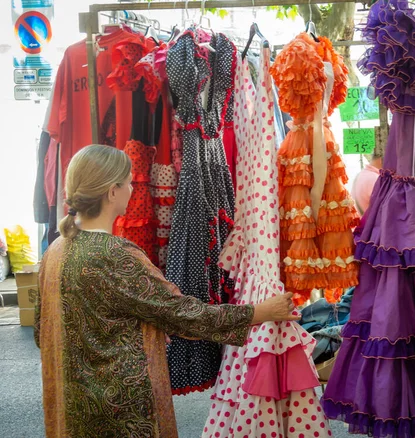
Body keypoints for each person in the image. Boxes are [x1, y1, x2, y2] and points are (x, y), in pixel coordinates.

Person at [34, 144, 298, 438]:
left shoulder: (55, 249)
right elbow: (183, 314)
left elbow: (42, 329)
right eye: (130, 182)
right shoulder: (115, 254)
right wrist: (262, 312)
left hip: (70, 403)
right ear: (112, 192)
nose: (133, 189)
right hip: (118, 408)